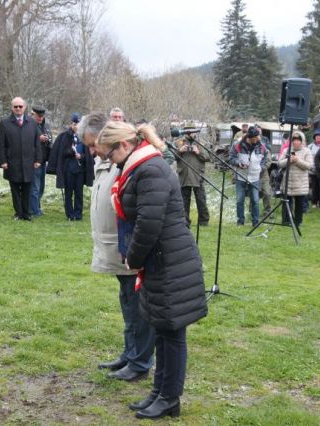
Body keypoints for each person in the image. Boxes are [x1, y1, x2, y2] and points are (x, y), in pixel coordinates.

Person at [96, 120, 207, 420]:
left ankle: (170, 397)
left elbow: (148, 224)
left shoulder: (150, 170)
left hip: (170, 261)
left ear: (124, 145)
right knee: (162, 330)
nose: (110, 162)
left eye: (110, 155)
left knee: (172, 333)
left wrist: (132, 258)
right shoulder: (140, 166)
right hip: (161, 260)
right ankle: (159, 392)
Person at [77, 112, 155, 382]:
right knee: (127, 303)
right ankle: (130, 353)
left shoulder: (128, 162)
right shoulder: (107, 161)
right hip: (117, 247)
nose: (90, 151)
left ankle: (140, 361)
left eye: (92, 144)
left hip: (130, 248)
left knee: (137, 306)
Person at [0, 97, 42, 221]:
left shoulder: (32, 123)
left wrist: (38, 159)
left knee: (27, 189)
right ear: (12, 108)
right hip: (12, 162)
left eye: (20, 106)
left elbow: (36, 143)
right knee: (15, 190)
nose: (18, 109)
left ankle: (26, 214)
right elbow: (1, 144)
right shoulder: (5, 123)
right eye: (15, 106)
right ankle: (18, 213)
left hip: (28, 162)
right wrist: (3, 161)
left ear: (25, 107)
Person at [49, 113, 94, 221]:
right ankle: (69, 214)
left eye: (78, 124)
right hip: (68, 170)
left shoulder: (84, 137)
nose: (76, 126)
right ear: (71, 124)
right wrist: (70, 152)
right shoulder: (64, 136)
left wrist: (81, 156)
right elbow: (60, 152)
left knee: (79, 193)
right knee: (68, 193)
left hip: (80, 171)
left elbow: (89, 155)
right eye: (74, 124)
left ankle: (78, 214)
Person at [229, 126, 268, 226]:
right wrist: (238, 163)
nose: (258, 139)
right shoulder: (237, 144)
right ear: (250, 138)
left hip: (255, 177)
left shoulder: (262, 146)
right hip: (241, 176)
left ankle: (255, 222)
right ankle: (240, 222)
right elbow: (231, 158)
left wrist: (261, 168)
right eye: (256, 137)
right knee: (239, 200)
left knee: (255, 200)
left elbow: (266, 159)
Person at [175, 123, 210, 226]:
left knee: (201, 199)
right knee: (184, 200)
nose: (190, 133)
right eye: (188, 131)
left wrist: (198, 152)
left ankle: (203, 221)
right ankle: (185, 221)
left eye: (192, 131)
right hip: (184, 175)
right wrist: (180, 151)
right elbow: (172, 156)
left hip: (198, 174)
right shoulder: (179, 142)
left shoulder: (201, 143)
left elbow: (208, 157)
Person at [278, 131, 313, 228]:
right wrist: (288, 160)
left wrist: (297, 161)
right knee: (286, 203)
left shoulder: (307, 151)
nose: (296, 142)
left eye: (298, 140)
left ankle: (298, 222)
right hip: (287, 181)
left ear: (302, 141)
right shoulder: (286, 150)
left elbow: (309, 166)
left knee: (299, 204)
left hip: (300, 182)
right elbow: (279, 163)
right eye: (294, 140)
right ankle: (286, 221)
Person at [28, 106, 52, 217]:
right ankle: (34, 210)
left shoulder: (45, 126)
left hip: (43, 161)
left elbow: (50, 140)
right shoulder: (28, 125)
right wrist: (39, 138)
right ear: (33, 114)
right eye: (38, 116)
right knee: (35, 187)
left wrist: (48, 140)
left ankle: (36, 207)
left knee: (41, 187)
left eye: (42, 116)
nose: (40, 118)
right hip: (33, 161)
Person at [308, 129, 320, 207]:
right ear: (314, 138)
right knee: (315, 187)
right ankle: (314, 202)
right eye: (317, 137)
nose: (318, 138)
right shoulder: (310, 146)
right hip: (313, 170)